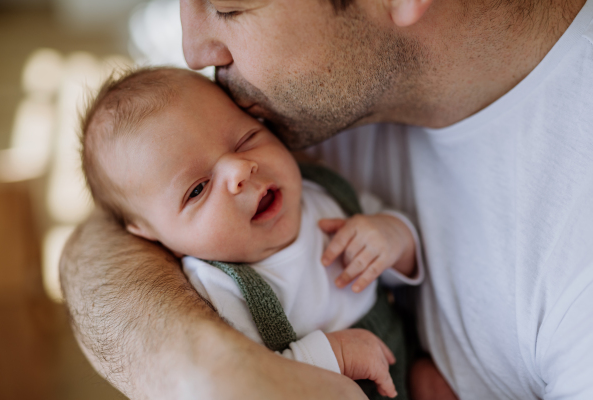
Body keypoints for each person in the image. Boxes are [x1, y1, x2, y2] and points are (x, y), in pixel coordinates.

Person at [60, 0, 593, 399]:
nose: (193, 50)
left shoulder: (576, 265)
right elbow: (108, 228)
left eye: (228, 6)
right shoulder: (303, 103)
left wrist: (390, 238)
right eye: (199, 189)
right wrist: (208, 370)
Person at [79, 66, 430, 399]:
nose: (240, 170)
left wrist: (393, 237)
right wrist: (334, 353)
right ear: (150, 233)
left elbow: (403, 268)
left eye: (246, 139)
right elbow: (255, 380)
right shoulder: (218, 287)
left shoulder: (323, 192)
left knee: (435, 384)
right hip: (324, 387)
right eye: (198, 189)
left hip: (403, 357)